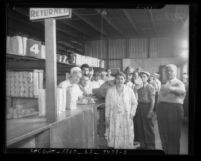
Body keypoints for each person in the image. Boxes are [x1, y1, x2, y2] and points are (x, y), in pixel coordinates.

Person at [156, 64, 186, 154]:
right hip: (162, 110)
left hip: (173, 110)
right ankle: (165, 152)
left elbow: (182, 92)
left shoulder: (179, 83)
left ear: (175, 72)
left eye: (171, 70)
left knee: (173, 136)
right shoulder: (164, 84)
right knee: (164, 135)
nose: (168, 72)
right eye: (167, 71)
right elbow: (159, 98)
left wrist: (170, 88)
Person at [105, 72, 138, 149]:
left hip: (126, 116)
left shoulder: (129, 90)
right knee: (115, 132)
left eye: (122, 79)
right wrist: (107, 117)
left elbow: (134, 103)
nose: (120, 81)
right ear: (115, 80)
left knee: (126, 133)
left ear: (124, 80)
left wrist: (132, 113)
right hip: (114, 117)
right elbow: (107, 106)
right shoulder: (110, 90)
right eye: (118, 79)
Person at [134, 71, 156, 149]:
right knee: (139, 125)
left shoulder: (150, 87)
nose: (143, 78)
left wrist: (150, 111)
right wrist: (135, 87)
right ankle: (142, 143)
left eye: (144, 77)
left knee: (148, 126)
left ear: (147, 78)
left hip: (147, 107)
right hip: (139, 106)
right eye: (141, 76)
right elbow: (134, 96)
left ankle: (150, 144)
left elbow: (153, 100)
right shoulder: (138, 87)